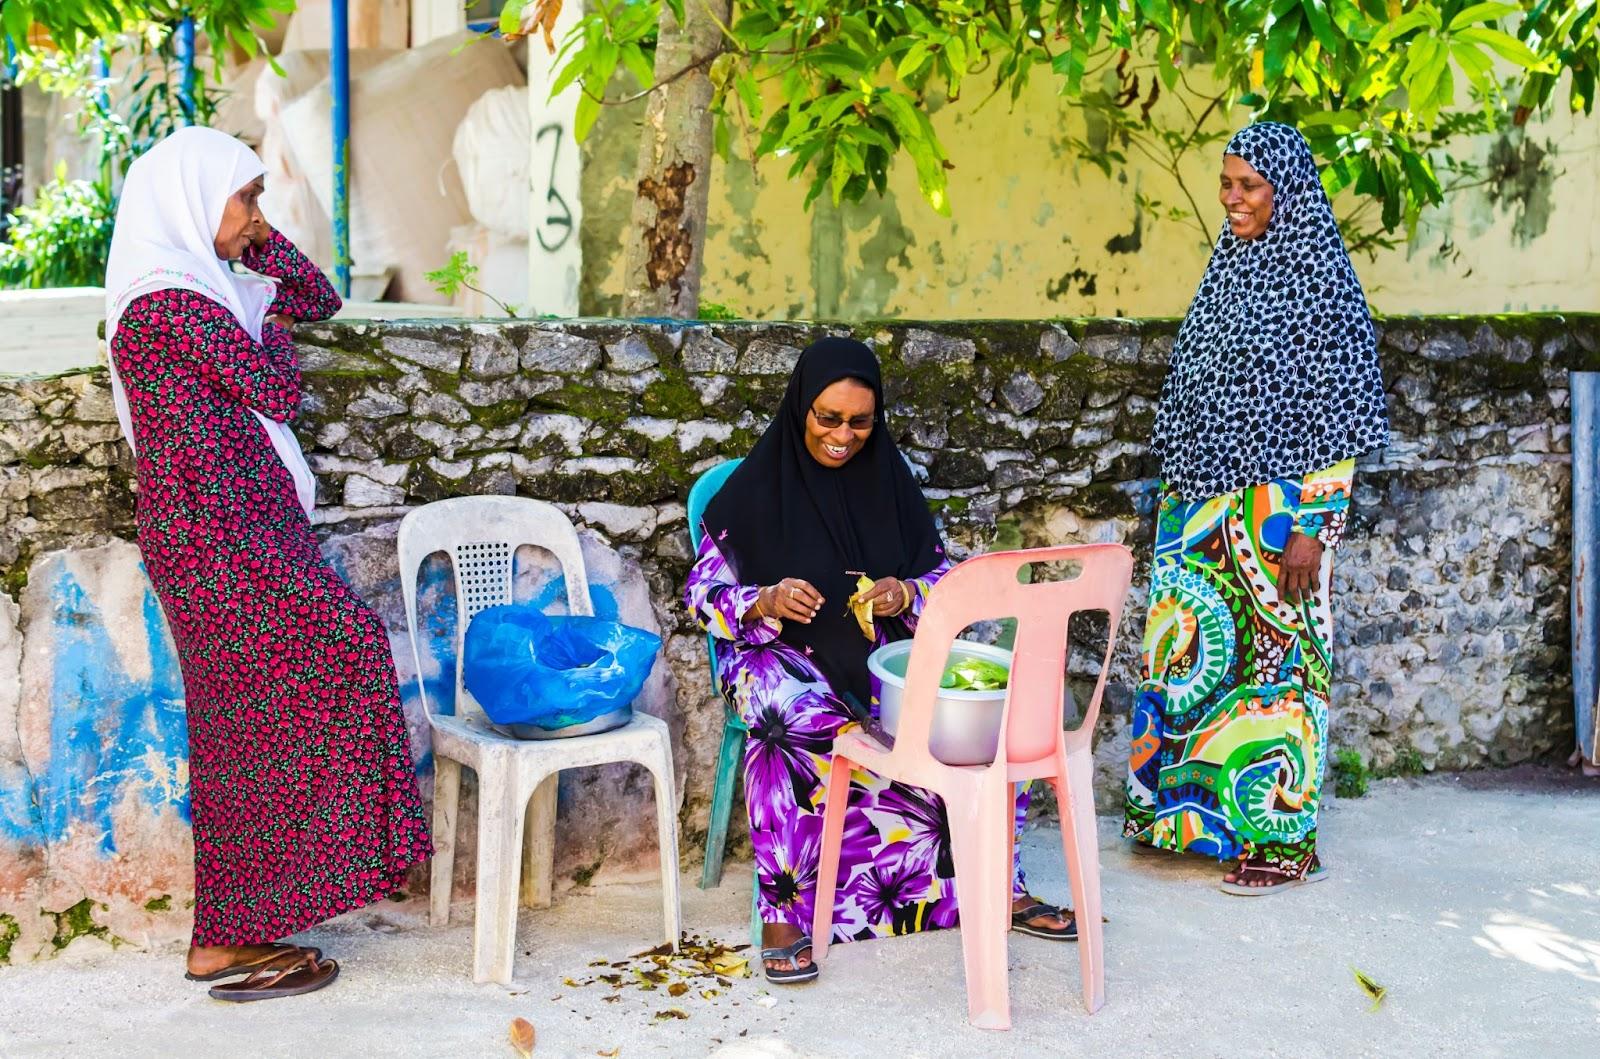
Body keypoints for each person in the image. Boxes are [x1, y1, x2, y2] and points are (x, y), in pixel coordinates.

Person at [105, 127, 432, 1001]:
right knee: (321, 673)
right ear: (186, 200)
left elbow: (316, 295)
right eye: (244, 198)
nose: (257, 216)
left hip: (246, 524)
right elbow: (277, 389)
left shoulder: (202, 286)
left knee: (259, 725)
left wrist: (254, 241)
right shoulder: (165, 305)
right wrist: (270, 323)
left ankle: (239, 930)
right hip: (217, 538)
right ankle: (231, 932)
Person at [686, 337, 1074, 985]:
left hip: (881, 653)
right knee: (789, 715)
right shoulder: (751, 492)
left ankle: (995, 884)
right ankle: (784, 911)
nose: (843, 435)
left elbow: (943, 581)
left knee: (991, 714)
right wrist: (765, 597)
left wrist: (906, 591)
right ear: (799, 409)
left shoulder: (889, 482)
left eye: (860, 421)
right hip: (778, 657)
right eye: (827, 418)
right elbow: (704, 596)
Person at [1122, 122, 1390, 894]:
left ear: (1288, 191)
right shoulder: (1230, 266)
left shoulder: (1323, 282)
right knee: (1189, 662)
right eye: (1227, 182)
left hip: (1279, 513)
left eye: (1248, 185)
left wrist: (1314, 525)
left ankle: (1279, 842)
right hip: (1201, 507)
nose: (1231, 198)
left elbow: (1340, 415)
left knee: (1279, 666)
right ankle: (1184, 818)